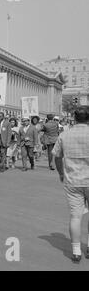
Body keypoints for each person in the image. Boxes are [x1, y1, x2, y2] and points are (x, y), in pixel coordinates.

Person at [52, 106, 89, 263]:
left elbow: (57, 156)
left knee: (75, 216)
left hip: (72, 180)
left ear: (74, 117)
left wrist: (61, 173)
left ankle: (76, 251)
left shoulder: (65, 135)